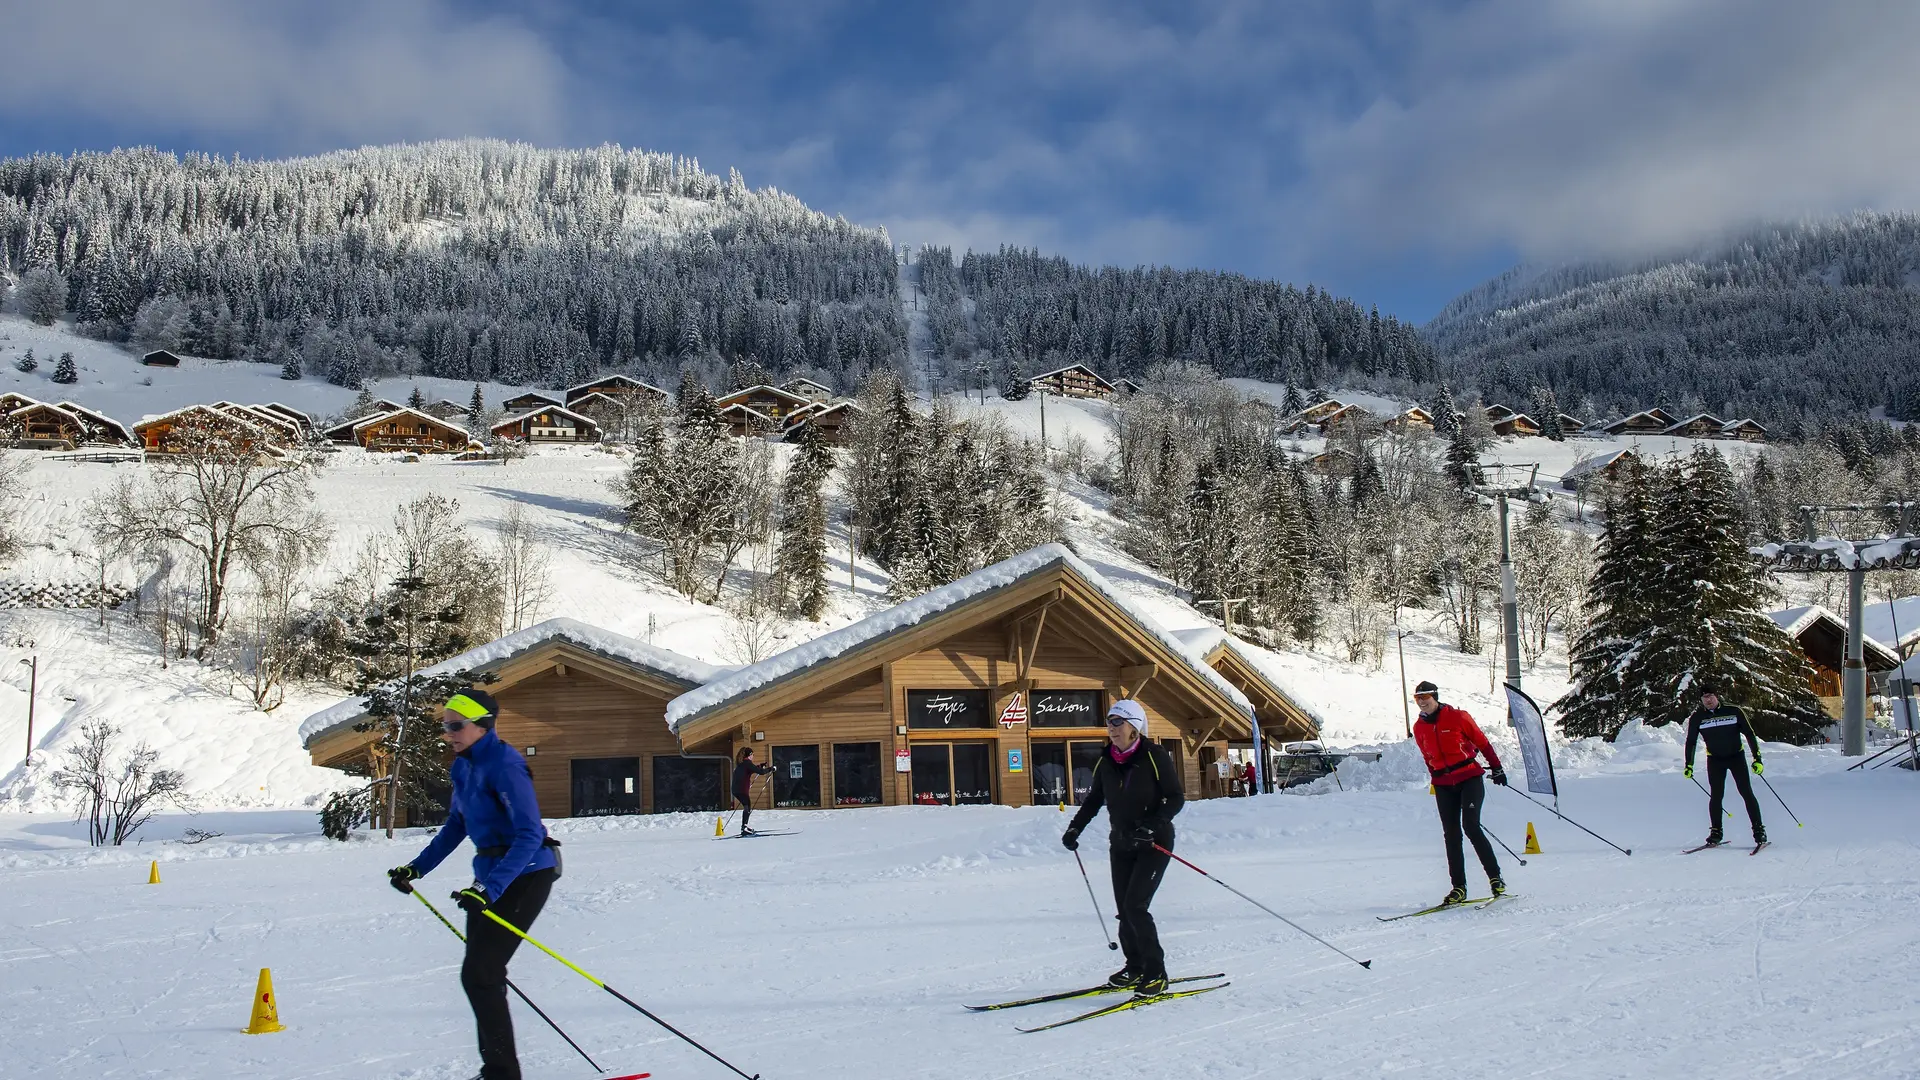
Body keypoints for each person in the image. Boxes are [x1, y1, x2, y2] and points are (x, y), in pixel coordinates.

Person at [387, 688, 559, 1080]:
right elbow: (457, 826)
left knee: (480, 973)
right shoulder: (462, 766)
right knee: (482, 974)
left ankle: (501, 1074)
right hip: (491, 876)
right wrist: (416, 868)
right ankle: (498, 1071)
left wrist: (489, 889)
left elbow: (529, 834)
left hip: (527, 872)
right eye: (445, 725)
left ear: (482, 725)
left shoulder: (505, 765)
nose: (448, 733)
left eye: (455, 725)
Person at [1061, 698, 1185, 995]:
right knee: (1123, 909)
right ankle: (1135, 966)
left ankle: (1156, 973)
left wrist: (1151, 826)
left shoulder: (1154, 756)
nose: (1112, 728)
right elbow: (1094, 799)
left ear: (1134, 726)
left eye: (1118, 722)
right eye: (1109, 722)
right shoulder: (1106, 761)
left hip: (1154, 842)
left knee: (1135, 907)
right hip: (1121, 843)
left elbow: (1175, 798)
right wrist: (1075, 827)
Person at [1411, 680, 1506, 905]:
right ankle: (1459, 887)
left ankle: (1495, 878)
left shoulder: (1458, 717)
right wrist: (1434, 777)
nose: (1422, 703)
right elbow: (1427, 756)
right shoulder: (1419, 727)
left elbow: (1482, 742)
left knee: (1471, 826)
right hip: (1444, 784)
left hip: (1469, 778)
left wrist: (1497, 767)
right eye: (1417, 699)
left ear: (1435, 697)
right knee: (1451, 835)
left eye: (1425, 698)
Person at [1683, 681, 1766, 847]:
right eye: (1704, 697)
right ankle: (1716, 832)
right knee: (1716, 796)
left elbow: (1750, 734)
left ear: (1717, 696)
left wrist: (1757, 759)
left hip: (1736, 757)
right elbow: (1691, 741)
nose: (1708, 700)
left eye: (1710, 696)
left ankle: (1759, 831)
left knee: (1746, 792)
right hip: (1714, 760)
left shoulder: (1733, 711)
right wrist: (1689, 764)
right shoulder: (1698, 717)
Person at [732, 746, 774, 835]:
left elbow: (752, 769)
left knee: (747, 806)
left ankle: (745, 827)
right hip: (742, 789)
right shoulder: (747, 763)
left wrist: (760, 766)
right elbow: (761, 772)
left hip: (735, 789)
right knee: (747, 806)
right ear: (750, 755)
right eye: (752, 755)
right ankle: (744, 828)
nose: (753, 756)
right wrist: (771, 769)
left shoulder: (742, 763)